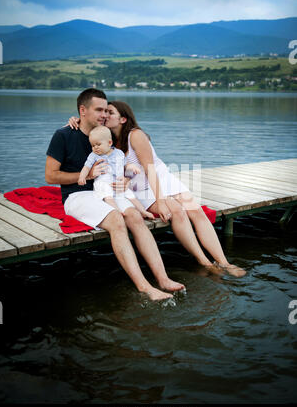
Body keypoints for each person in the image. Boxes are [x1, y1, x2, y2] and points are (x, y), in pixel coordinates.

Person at [69, 100, 246, 278]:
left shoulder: (135, 135)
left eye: (110, 112)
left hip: (159, 178)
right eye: (103, 112)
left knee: (196, 211)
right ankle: (205, 262)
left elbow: (150, 169)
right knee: (177, 210)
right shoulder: (108, 140)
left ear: (123, 119)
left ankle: (224, 262)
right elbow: (90, 130)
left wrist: (161, 202)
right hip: (139, 188)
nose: (105, 115)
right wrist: (75, 120)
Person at [45, 88, 185, 301]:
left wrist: (126, 179)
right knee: (116, 219)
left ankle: (163, 278)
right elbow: (50, 176)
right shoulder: (63, 135)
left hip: (110, 191)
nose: (104, 115)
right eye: (99, 110)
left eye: (106, 109)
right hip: (78, 195)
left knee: (135, 217)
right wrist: (88, 174)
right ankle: (144, 286)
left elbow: (126, 160)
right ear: (83, 110)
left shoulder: (108, 136)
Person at [78, 124, 154, 219]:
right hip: (103, 183)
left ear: (109, 143)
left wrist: (132, 167)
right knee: (107, 196)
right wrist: (82, 177)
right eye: (93, 145)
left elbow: (126, 164)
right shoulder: (93, 156)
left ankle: (143, 211)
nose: (95, 148)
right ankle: (117, 210)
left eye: (98, 144)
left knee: (131, 195)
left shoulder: (119, 153)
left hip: (117, 182)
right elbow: (86, 167)